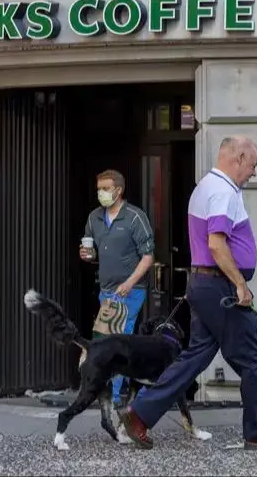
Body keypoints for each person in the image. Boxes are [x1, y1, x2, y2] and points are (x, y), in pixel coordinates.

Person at [119, 136, 257, 451]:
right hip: (220, 287)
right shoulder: (223, 191)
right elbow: (217, 244)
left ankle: (139, 414)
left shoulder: (205, 185)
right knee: (253, 356)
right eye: (253, 165)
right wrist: (240, 285)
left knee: (195, 356)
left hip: (204, 285)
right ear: (240, 158)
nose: (254, 173)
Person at [80, 169, 154, 407]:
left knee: (116, 340)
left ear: (118, 190)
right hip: (107, 290)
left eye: (105, 189)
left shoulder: (134, 217)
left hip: (131, 290)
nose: (101, 193)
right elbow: (94, 254)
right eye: (98, 189)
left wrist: (130, 283)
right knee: (106, 339)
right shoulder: (94, 218)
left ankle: (111, 395)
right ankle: (108, 389)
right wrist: (86, 255)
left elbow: (148, 256)